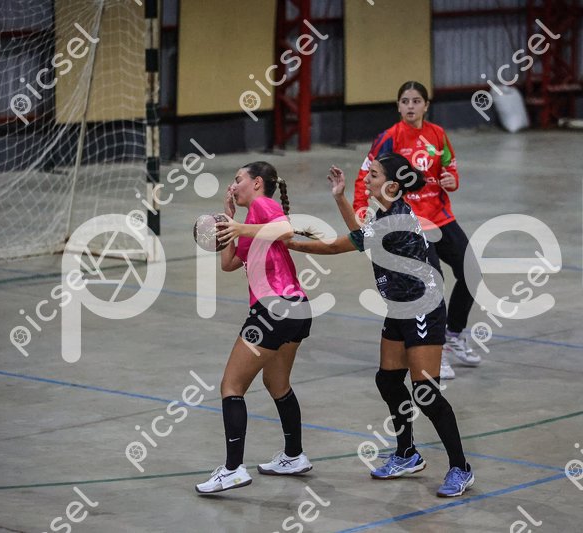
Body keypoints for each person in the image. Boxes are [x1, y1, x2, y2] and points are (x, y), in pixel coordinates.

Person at [287, 153, 474, 497]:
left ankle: (460, 467)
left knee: (426, 393)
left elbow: (341, 245)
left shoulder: (395, 221)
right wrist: (340, 198)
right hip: (400, 307)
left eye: (373, 175)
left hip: (423, 308)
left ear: (391, 184)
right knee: (388, 380)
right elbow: (360, 235)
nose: (367, 179)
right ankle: (407, 453)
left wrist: (291, 244)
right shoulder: (386, 214)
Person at [195, 162, 313, 495]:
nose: (233, 186)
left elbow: (285, 229)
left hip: (272, 308)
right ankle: (294, 456)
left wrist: (240, 227)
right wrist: (229, 220)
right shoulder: (250, 221)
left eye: (238, 180)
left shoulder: (263, 205)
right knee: (277, 383)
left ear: (257, 183)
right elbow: (229, 264)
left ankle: (233, 470)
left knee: (231, 385)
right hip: (297, 309)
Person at [352, 81, 480, 380]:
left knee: (471, 273)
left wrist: (452, 180)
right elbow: (364, 174)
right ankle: (436, 350)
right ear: (398, 106)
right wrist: (361, 209)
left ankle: (454, 334)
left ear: (426, 105)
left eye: (416, 101)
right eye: (405, 101)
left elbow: (449, 166)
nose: (411, 106)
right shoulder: (389, 138)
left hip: (441, 217)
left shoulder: (438, 134)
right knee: (433, 283)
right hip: (412, 223)